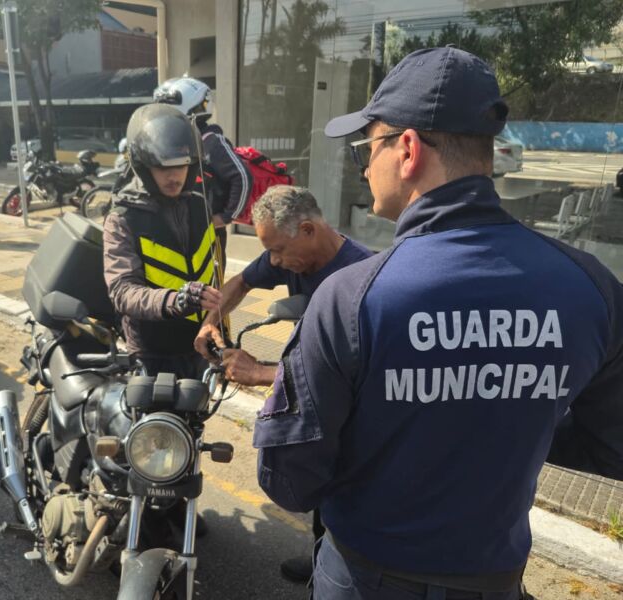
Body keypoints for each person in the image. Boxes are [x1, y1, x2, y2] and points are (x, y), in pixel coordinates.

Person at [253, 46, 623, 600]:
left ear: (406, 149)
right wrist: (509, 413)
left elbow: (287, 479)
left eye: (366, 148)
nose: (364, 168)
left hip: (364, 579)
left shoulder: (351, 299)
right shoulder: (590, 287)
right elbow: (613, 445)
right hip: (494, 580)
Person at [193, 184, 372, 582]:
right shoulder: (292, 258)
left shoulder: (361, 277)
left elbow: (350, 375)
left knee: (345, 489)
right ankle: (322, 556)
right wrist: (210, 322)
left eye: (277, 250)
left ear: (307, 230)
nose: (273, 261)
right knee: (321, 483)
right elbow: (241, 282)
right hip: (316, 399)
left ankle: (340, 572)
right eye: (269, 251)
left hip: (351, 407)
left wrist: (259, 372)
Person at [103, 103, 222, 380]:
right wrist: (176, 299)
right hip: (152, 351)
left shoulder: (200, 205)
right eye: (161, 167)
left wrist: (219, 326)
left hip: (200, 342)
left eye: (181, 165)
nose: (174, 176)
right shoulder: (122, 218)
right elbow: (122, 290)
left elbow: (215, 270)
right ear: (143, 167)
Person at [153, 77, 252, 254]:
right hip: (176, 228)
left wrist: (226, 217)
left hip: (208, 231)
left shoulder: (211, 142)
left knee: (210, 272)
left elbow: (242, 177)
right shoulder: (168, 142)